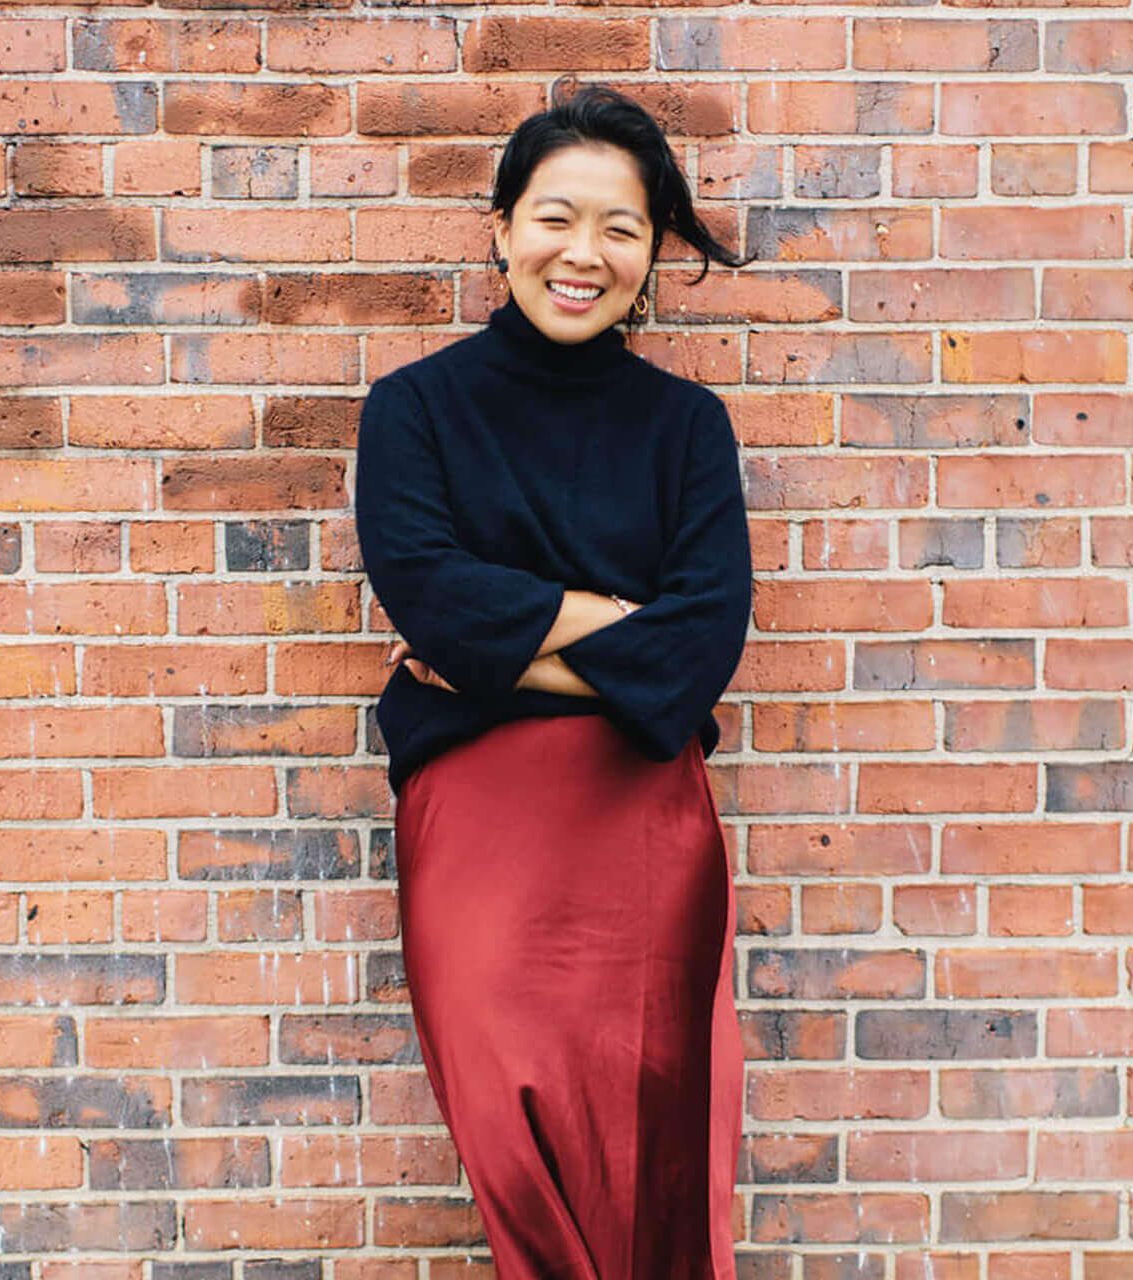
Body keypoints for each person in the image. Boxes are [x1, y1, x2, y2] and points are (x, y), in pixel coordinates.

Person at [352, 85, 756, 1280]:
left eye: (621, 228)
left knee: (659, 1158)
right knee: (511, 1146)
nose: (584, 254)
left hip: (645, 825)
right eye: (556, 218)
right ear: (499, 227)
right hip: (476, 816)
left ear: (651, 254)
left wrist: (507, 650)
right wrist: (620, 625)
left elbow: (702, 642)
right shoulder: (414, 410)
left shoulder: (688, 427)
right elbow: (429, 597)